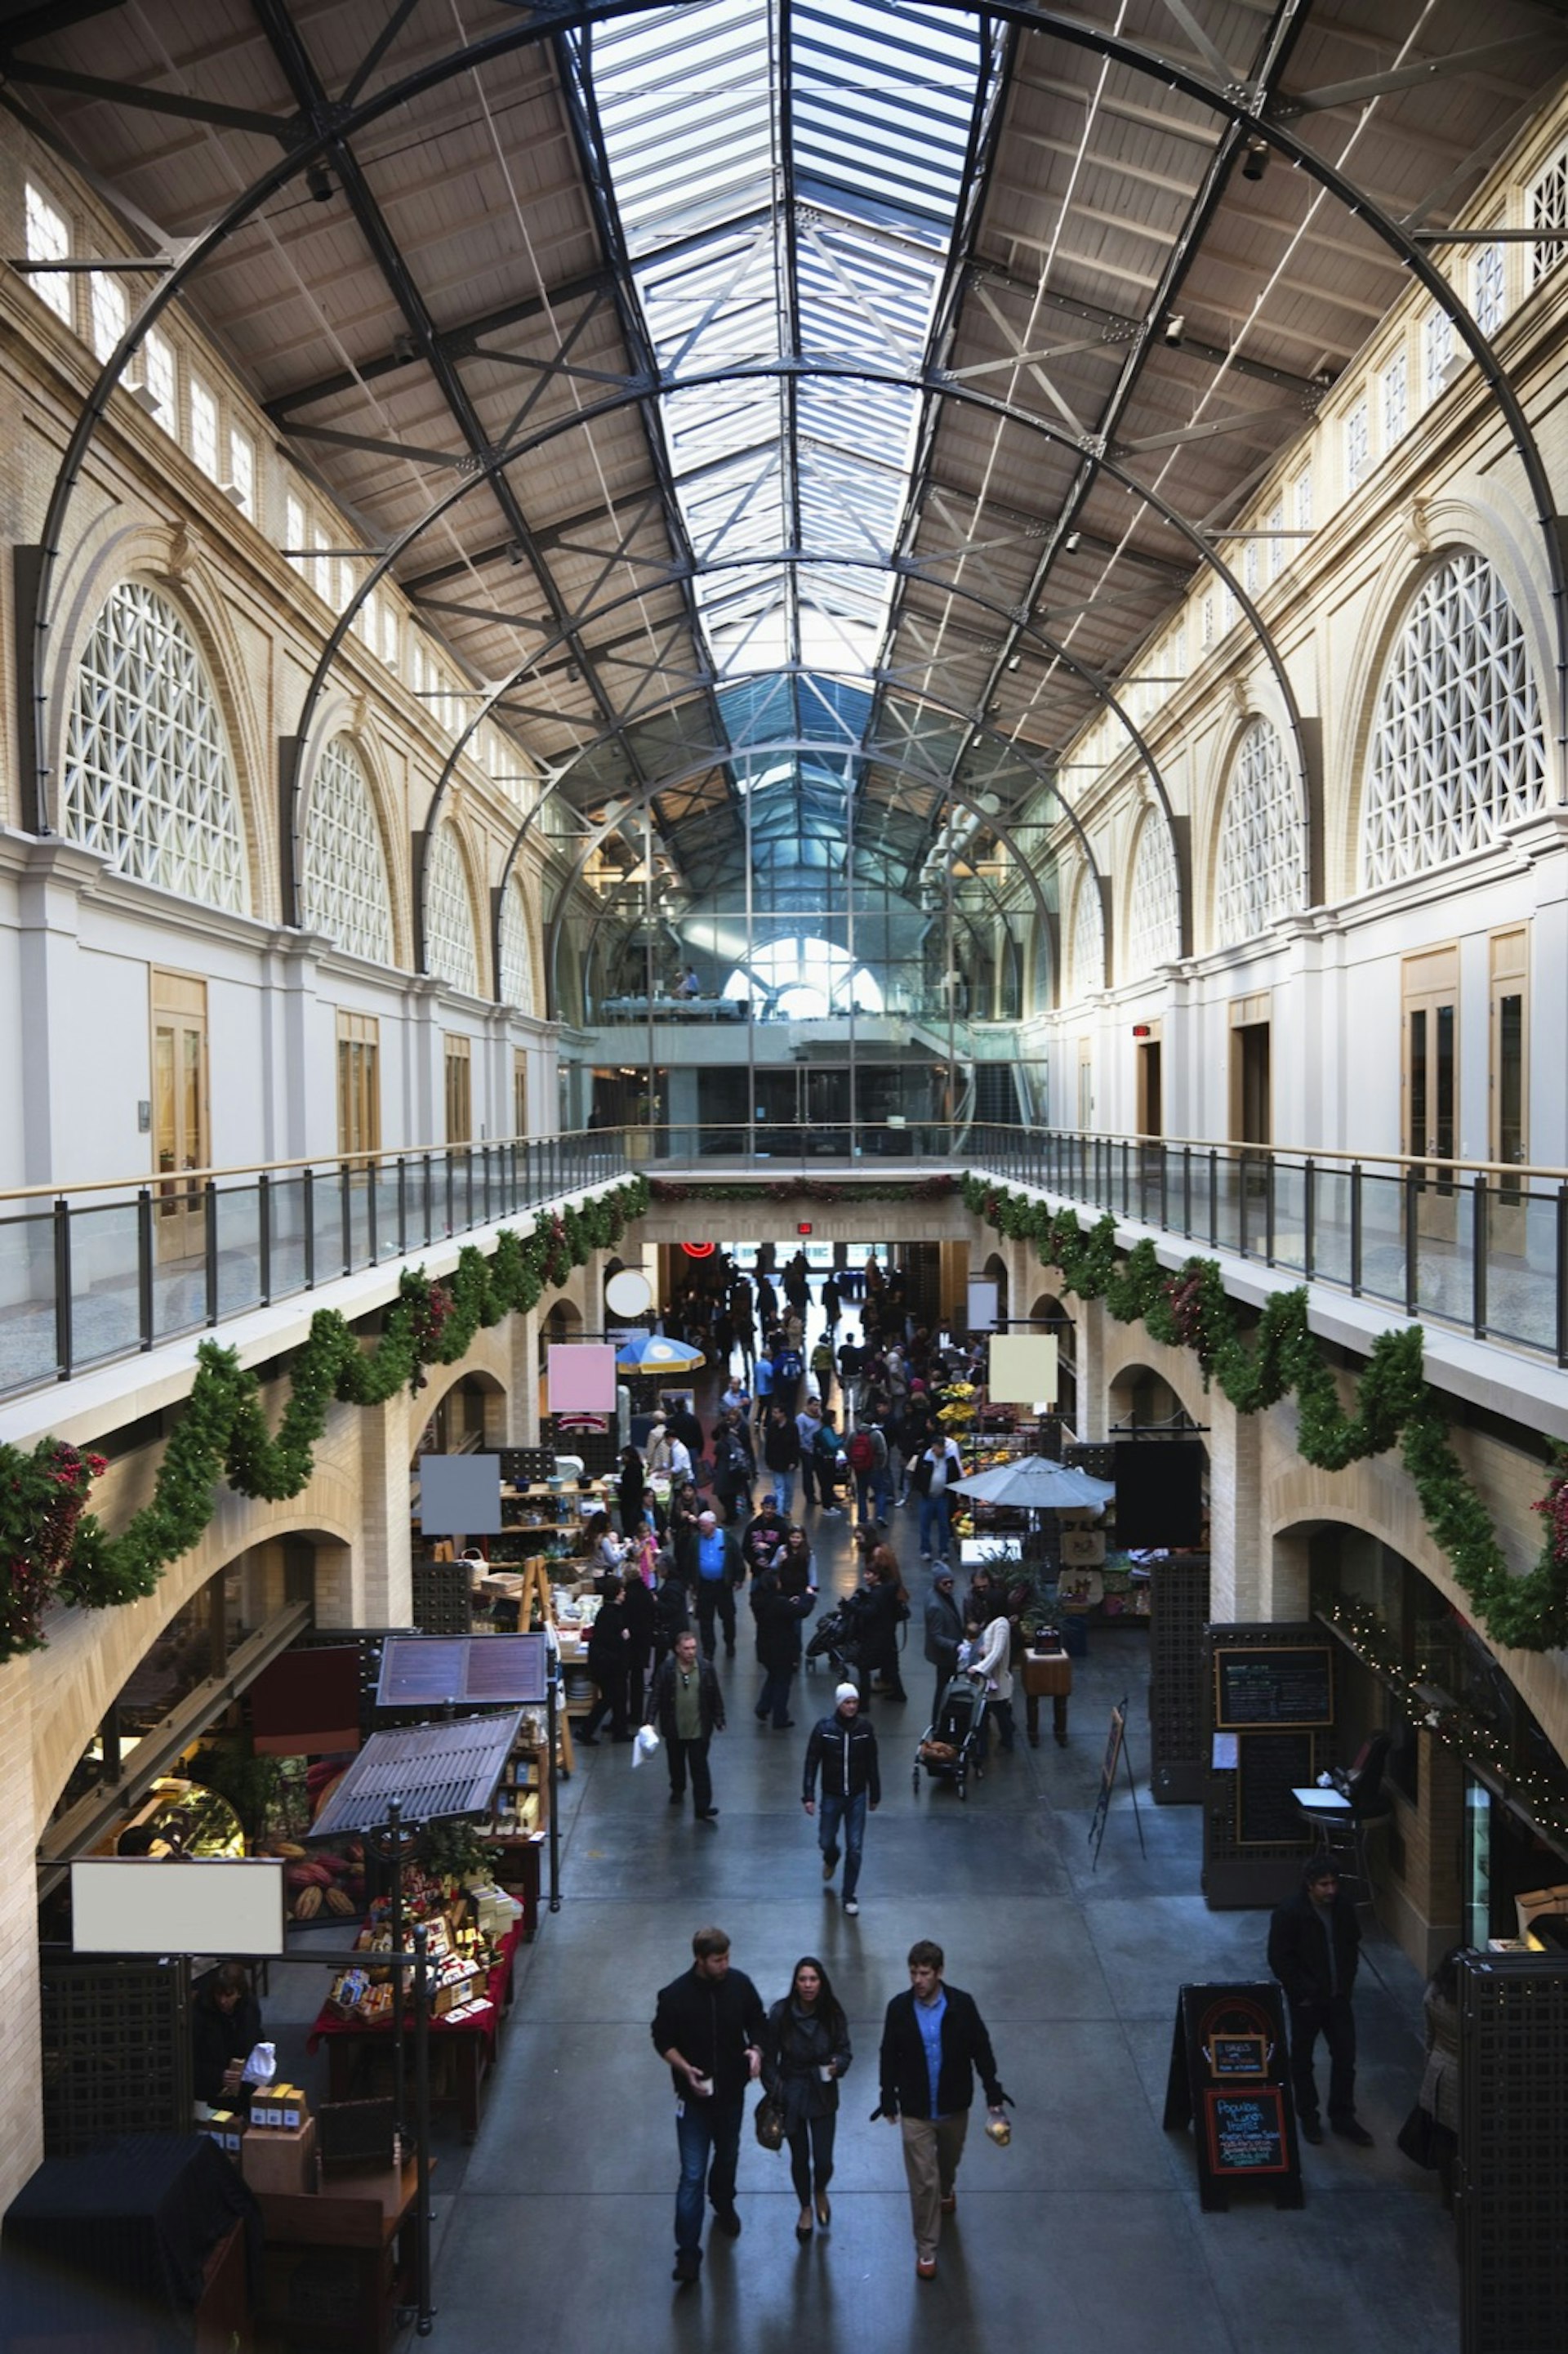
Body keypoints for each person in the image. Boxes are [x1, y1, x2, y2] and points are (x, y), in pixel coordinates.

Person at [877, 1939, 1009, 2280]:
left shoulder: (962, 2006)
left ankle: (948, 2189)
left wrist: (992, 2091)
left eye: (924, 1973)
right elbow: (888, 2053)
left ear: (939, 1972)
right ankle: (926, 2248)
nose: (917, 1980)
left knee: (947, 2164)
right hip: (916, 2110)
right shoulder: (899, 2009)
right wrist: (887, 2095)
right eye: (913, 1973)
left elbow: (981, 2049)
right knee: (923, 2183)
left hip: (953, 2107)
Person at [652, 1926, 766, 2284]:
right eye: (718, 1960)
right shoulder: (675, 1996)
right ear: (699, 1960)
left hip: (731, 2094)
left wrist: (756, 2050)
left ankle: (723, 2199)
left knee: (728, 2154)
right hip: (694, 2101)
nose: (725, 1965)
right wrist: (684, 2068)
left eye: (728, 1958)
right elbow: (662, 2040)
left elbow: (759, 2023)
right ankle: (687, 2254)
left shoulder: (740, 1986)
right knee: (691, 2175)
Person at [1267, 1859, 1373, 2146]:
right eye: (1324, 1885)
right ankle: (1308, 2117)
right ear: (1309, 1885)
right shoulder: (1290, 1913)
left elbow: (1351, 1946)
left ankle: (1342, 2116)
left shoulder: (1342, 1909)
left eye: (1334, 1883)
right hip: (1308, 2002)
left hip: (1337, 1998)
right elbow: (1280, 1958)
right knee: (1302, 2060)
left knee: (1345, 2058)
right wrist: (1301, 1993)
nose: (1331, 1890)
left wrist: (1346, 1984)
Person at [762, 1956, 853, 2238]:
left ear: (821, 1982)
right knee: (799, 2158)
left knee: (823, 2160)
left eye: (813, 1979)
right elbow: (768, 2058)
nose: (808, 1985)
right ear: (795, 1983)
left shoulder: (832, 2013)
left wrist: (838, 2064)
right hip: (792, 2095)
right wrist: (778, 2089)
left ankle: (820, 2190)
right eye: (803, 1979)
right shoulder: (781, 2014)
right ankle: (805, 2207)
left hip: (823, 2092)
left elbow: (845, 2049)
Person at [802, 1682, 880, 1916]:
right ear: (838, 1703)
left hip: (856, 1795)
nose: (852, 1706)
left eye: (855, 1702)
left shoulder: (865, 1729)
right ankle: (831, 1856)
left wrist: (875, 1793)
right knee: (826, 1839)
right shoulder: (824, 1729)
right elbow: (811, 1762)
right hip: (832, 1795)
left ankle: (849, 1895)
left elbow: (872, 1763)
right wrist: (808, 1795)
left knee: (855, 1848)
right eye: (847, 1702)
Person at [649, 1631, 724, 1823]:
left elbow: (714, 1694)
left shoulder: (706, 1668)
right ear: (677, 1649)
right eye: (686, 1648)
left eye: (693, 1648)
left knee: (700, 1767)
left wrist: (719, 1717)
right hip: (674, 1727)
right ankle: (678, 1787)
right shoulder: (667, 1669)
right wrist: (649, 1720)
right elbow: (656, 1695)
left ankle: (703, 1806)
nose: (691, 1652)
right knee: (676, 1762)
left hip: (699, 1728)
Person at [1414, 1946, 1463, 2209]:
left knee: (1445, 2138)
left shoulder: (1434, 1995)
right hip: (1464, 2078)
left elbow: (1430, 2037)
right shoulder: (1471, 2004)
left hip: (1439, 2073)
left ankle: (1448, 2193)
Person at [753, 1550, 816, 1730]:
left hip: (765, 1647)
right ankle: (780, 1717)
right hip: (782, 1649)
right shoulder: (779, 1604)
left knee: (773, 1676)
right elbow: (802, 1611)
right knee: (783, 1682)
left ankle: (763, 1707)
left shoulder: (760, 1601)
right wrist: (808, 1597)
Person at [192, 1960, 262, 2114]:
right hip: (209, 2088)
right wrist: (217, 2075)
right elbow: (189, 2058)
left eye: (229, 1995)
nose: (223, 2000)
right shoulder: (200, 2013)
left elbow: (255, 2038)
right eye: (219, 1994)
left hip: (242, 2082)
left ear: (240, 1993)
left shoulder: (249, 2008)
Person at [581, 1572, 634, 1743]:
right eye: (622, 1590)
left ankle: (619, 1730)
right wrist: (623, 1637)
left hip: (608, 1663)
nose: (625, 1593)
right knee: (611, 1697)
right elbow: (610, 1640)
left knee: (617, 1697)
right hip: (610, 1665)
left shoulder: (607, 1611)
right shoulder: (612, 1614)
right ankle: (586, 1731)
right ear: (618, 1592)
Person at [690, 1508, 745, 1660]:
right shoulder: (696, 1541)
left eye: (704, 1525)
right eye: (700, 1525)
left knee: (728, 1616)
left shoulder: (727, 1538)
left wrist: (739, 1578)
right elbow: (690, 1561)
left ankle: (729, 1642)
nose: (701, 1528)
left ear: (713, 1524)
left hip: (723, 1586)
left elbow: (737, 1557)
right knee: (705, 1620)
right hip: (705, 1586)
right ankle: (709, 1649)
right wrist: (692, 1582)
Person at [962, 1606, 1015, 1754]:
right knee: (991, 1714)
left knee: (999, 1713)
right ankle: (986, 1745)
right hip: (989, 1681)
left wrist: (979, 1668)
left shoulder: (1001, 1625)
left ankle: (1005, 1740)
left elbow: (997, 1652)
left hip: (995, 1681)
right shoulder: (996, 1625)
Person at [910, 1430, 964, 1562]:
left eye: (943, 1447)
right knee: (925, 1525)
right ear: (933, 1447)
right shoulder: (925, 1457)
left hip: (942, 1497)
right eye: (939, 1447)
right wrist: (921, 1490)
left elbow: (955, 1475)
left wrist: (952, 1492)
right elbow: (916, 1475)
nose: (941, 1450)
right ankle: (925, 1549)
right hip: (927, 1497)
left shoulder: (949, 1459)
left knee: (944, 1525)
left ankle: (944, 1550)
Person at [924, 1567, 964, 1724]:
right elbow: (937, 1637)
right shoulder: (936, 1606)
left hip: (946, 1654)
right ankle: (938, 1722)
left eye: (951, 1583)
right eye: (945, 1583)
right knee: (943, 1689)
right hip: (944, 1656)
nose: (949, 1586)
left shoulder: (937, 1596)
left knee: (944, 1687)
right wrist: (956, 1646)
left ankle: (940, 1721)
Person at [762, 1401, 801, 1516]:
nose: (774, 1415)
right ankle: (779, 1512)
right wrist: (768, 1460)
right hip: (776, 1462)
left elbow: (796, 1445)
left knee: (788, 1488)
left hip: (789, 1463)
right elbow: (768, 1445)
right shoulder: (772, 1427)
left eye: (776, 1412)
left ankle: (787, 1508)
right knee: (779, 1487)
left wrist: (794, 1461)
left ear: (783, 1414)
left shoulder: (792, 1427)